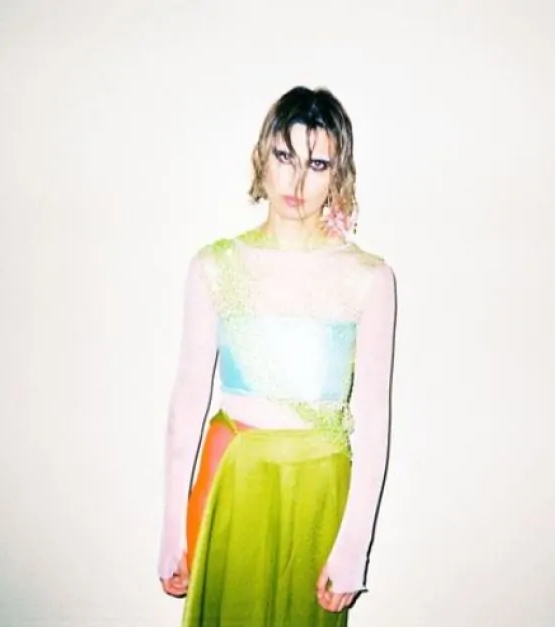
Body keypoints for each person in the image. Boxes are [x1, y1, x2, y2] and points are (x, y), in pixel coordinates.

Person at [157, 85, 397, 626]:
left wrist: (354, 546)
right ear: (262, 156)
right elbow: (187, 401)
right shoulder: (214, 265)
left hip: (320, 487)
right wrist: (173, 530)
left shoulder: (369, 278)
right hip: (234, 479)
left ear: (338, 174)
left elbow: (375, 420)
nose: (297, 181)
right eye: (285, 156)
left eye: (317, 164)